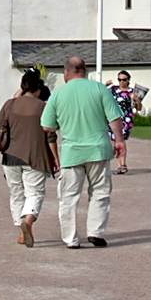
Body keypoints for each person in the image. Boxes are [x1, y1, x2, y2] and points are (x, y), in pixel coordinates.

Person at [39, 55, 126, 249]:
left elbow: (46, 126)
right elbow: (115, 118)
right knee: (100, 192)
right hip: (98, 149)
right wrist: (119, 140)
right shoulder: (99, 89)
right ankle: (95, 231)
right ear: (85, 71)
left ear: (66, 73)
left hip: (72, 152)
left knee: (68, 197)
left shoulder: (58, 94)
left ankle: (70, 238)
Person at [0, 71, 57, 247]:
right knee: (34, 192)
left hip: (10, 157)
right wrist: (56, 158)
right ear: (38, 88)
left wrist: (18, 95)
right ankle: (27, 221)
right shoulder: (43, 107)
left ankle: (21, 230)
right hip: (35, 156)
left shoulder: (10, 105)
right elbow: (51, 135)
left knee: (16, 193)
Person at [109, 70, 142, 174]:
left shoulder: (132, 92)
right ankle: (119, 165)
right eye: (119, 79)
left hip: (125, 120)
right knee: (115, 142)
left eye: (124, 80)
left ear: (128, 80)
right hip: (113, 118)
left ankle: (123, 164)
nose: (121, 82)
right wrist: (105, 85)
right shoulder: (113, 90)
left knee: (121, 141)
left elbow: (139, 108)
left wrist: (137, 101)